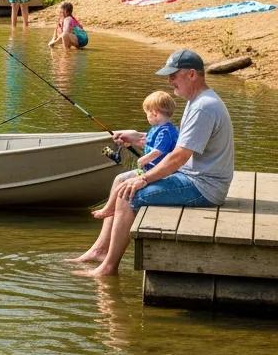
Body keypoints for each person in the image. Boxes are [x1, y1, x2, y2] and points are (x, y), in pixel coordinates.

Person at [74, 49, 234, 277]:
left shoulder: (202, 108)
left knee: (129, 194)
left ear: (191, 75)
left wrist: (144, 178)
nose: (169, 81)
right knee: (122, 180)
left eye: (173, 75)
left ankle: (108, 267)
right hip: (191, 176)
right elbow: (174, 142)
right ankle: (99, 250)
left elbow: (179, 155)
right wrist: (137, 137)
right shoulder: (196, 101)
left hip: (204, 187)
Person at [91, 91, 180, 220]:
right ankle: (109, 208)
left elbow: (158, 151)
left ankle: (108, 210)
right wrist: (129, 144)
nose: (147, 117)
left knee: (122, 182)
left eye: (147, 114)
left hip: (157, 171)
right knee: (119, 179)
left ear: (154, 113)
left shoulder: (166, 131)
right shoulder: (157, 128)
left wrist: (143, 160)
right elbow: (149, 146)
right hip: (149, 169)